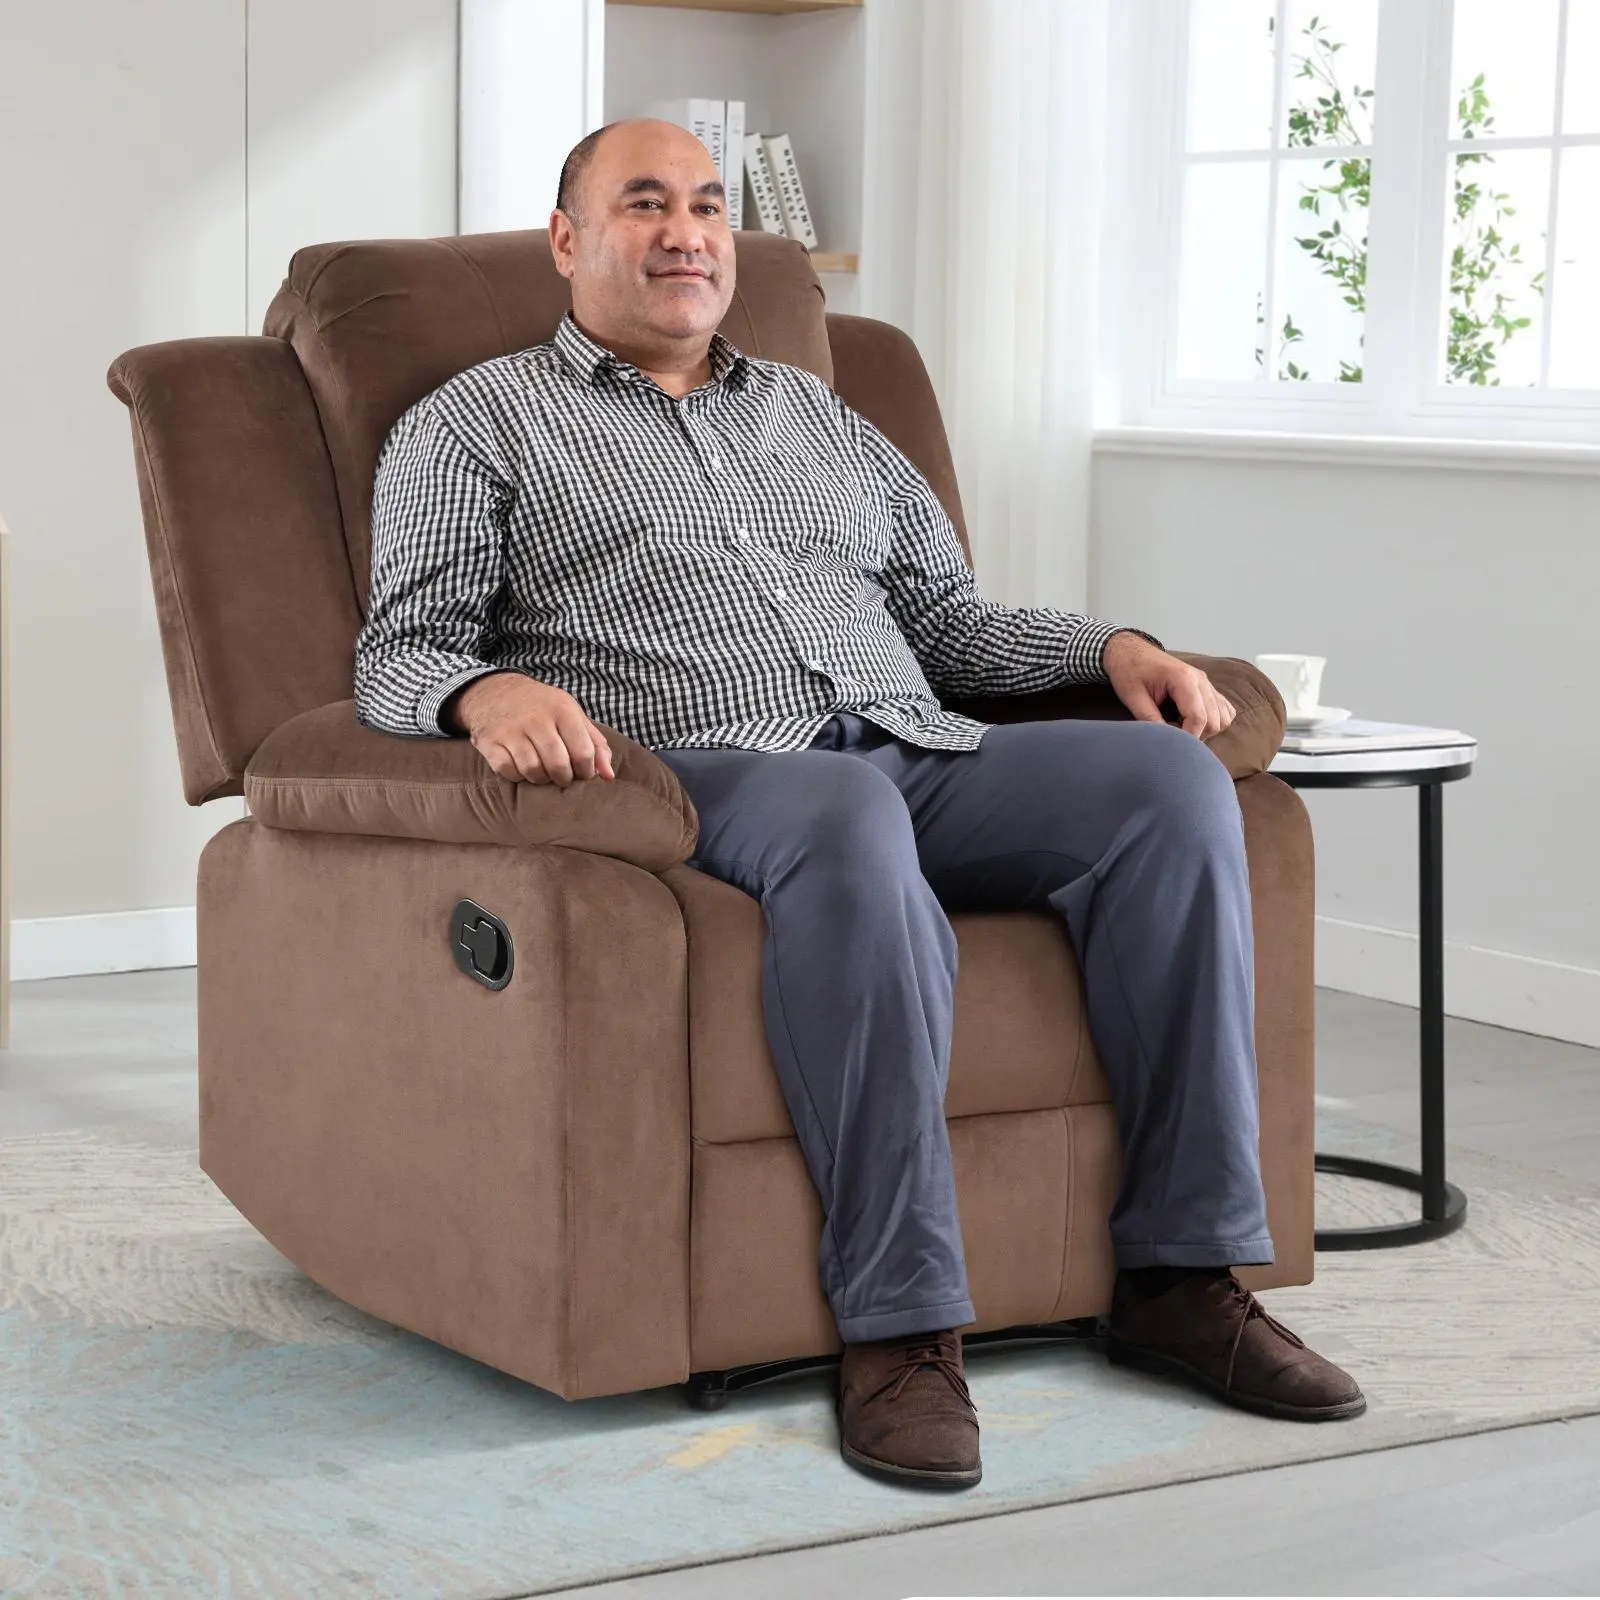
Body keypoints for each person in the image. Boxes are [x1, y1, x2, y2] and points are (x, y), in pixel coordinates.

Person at [355, 118, 1365, 1491]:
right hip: (706, 769)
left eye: (707, 206)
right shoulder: (475, 423)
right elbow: (400, 651)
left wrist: (1110, 648)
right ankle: (901, 1327)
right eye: (644, 204)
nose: (686, 233)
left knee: (1170, 782)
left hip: (913, 747)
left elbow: (949, 626)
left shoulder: (818, 416)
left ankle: (1184, 1281)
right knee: (842, 810)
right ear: (567, 240)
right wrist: (482, 693)